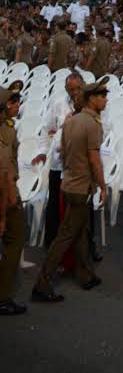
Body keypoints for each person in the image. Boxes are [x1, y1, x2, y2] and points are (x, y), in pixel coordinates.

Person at [32, 78, 109, 303]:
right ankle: (43, 282)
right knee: (66, 236)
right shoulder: (92, 123)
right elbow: (95, 160)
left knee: (81, 229)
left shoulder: (72, 121)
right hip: (81, 186)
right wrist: (102, 186)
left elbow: (62, 151)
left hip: (69, 182)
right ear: (91, 99)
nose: (105, 100)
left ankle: (85, 274)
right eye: (101, 96)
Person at [32, 72, 83, 247]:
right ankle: (52, 243)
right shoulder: (59, 105)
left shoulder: (91, 107)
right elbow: (47, 130)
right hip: (58, 165)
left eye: (77, 88)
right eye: (71, 89)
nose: (74, 92)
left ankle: (83, 247)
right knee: (55, 204)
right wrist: (43, 151)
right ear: (66, 89)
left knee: (79, 209)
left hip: (79, 166)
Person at [0, 88, 26, 315]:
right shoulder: (5, 132)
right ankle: (2, 296)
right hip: (5, 194)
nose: (17, 105)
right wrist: (11, 201)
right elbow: (6, 170)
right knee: (15, 240)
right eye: (13, 101)